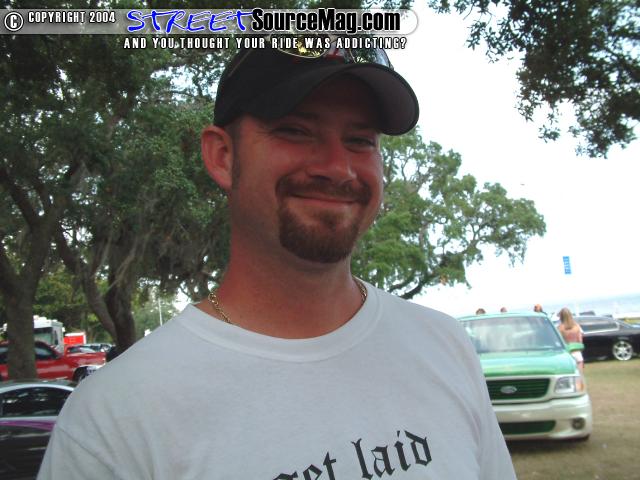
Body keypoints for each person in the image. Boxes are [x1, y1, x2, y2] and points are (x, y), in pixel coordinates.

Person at [38, 39, 516, 479]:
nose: (338, 168)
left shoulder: (444, 348)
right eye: (295, 130)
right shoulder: (116, 418)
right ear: (222, 156)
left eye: (360, 140)